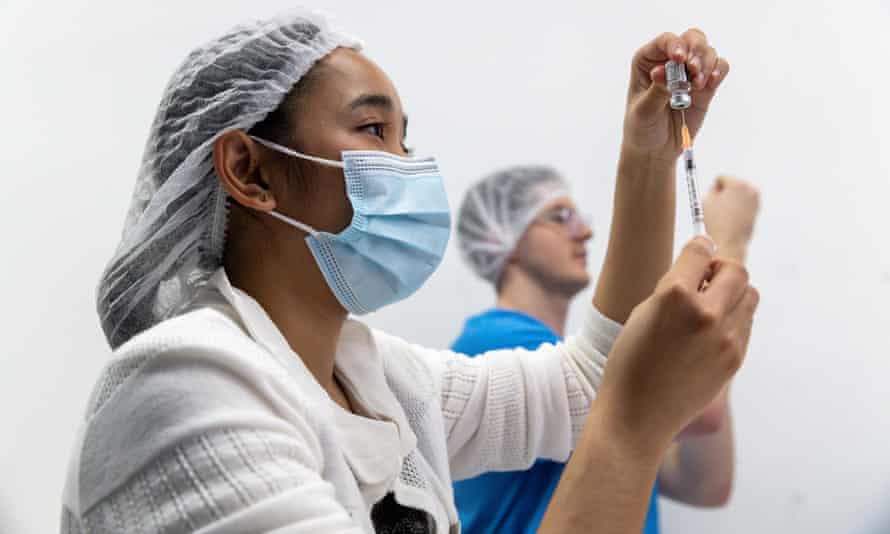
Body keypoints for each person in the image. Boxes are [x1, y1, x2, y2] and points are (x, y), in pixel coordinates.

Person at [60, 10, 758, 534]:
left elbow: (590, 385)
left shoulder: (380, 380)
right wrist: (634, 431)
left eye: (405, 139)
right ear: (250, 170)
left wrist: (648, 155)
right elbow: (617, 405)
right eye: (372, 131)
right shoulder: (187, 389)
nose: (408, 167)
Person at [452, 167, 760, 533]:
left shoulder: (569, 370)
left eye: (578, 217)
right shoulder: (493, 344)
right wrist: (726, 242)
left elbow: (703, 485)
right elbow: (695, 408)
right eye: (559, 216)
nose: (585, 231)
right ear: (501, 236)